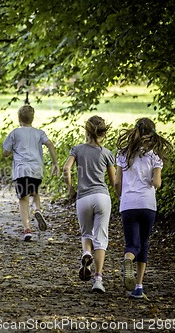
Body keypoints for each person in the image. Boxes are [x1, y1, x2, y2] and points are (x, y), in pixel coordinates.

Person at [115, 118, 172, 298]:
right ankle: (138, 287)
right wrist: (154, 181)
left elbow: (117, 182)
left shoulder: (123, 153)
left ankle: (127, 260)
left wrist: (121, 196)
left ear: (135, 131)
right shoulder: (155, 155)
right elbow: (156, 183)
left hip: (128, 204)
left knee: (132, 244)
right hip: (147, 205)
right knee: (144, 244)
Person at [63, 115, 116, 293]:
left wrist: (71, 189)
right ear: (103, 133)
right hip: (102, 197)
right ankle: (98, 279)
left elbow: (66, 168)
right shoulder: (107, 153)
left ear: (86, 131)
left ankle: (86, 253)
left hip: (83, 198)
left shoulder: (77, 149)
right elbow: (113, 180)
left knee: (86, 233)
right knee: (101, 239)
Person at [2, 105, 59, 241]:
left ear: (19, 118)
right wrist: (55, 163)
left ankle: (27, 229)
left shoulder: (15, 133)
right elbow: (50, 144)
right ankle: (38, 210)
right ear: (32, 118)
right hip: (36, 169)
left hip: (22, 170)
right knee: (35, 193)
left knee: (23, 199)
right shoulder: (39, 133)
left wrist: (9, 150)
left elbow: (5, 153)